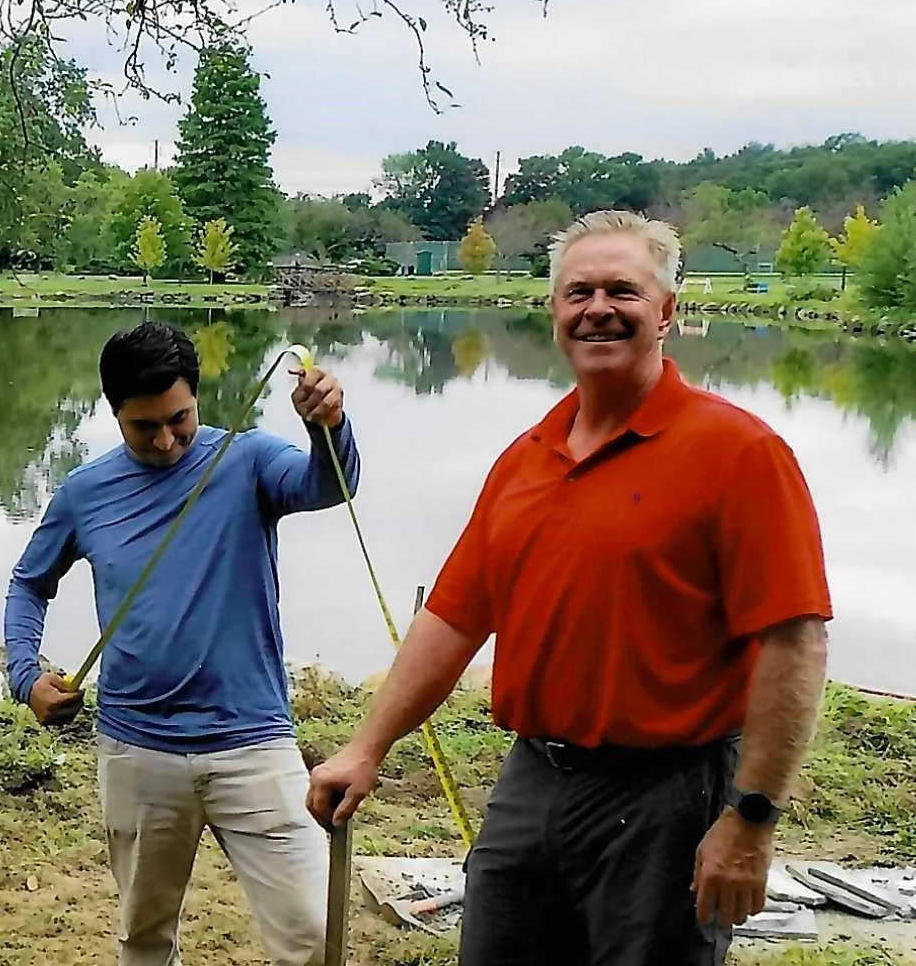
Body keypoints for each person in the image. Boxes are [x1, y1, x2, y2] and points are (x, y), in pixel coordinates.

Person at [307, 210, 832, 965]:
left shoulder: (739, 452)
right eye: (577, 291)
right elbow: (453, 618)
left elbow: (795, 639)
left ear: (665, 312)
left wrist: (749, 818)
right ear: (552, 311)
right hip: (532, 778)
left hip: (669, 794)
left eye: (622, 290)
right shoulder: (526, 458)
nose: (597, 309)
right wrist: (367, 745)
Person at [3, 320, 362, 966]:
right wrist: (25, 675)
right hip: (136, 750)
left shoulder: (248, 461)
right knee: (144, 939)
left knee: (315, 935)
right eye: (145, 427)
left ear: (196, 398)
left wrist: (326, 426)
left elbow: (326, 485)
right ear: (112, 413)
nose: (167, 440)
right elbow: (29, 582)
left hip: (253, 743)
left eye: (180, 418)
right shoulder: (84, 493)